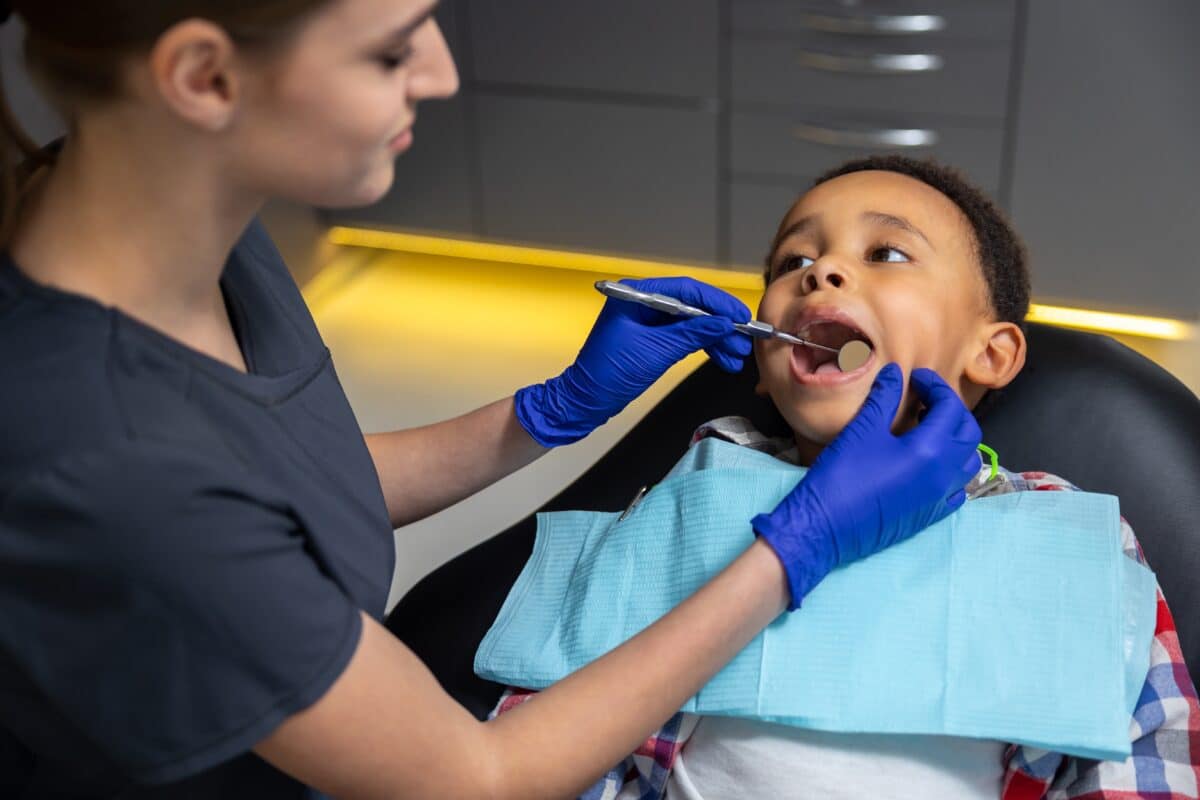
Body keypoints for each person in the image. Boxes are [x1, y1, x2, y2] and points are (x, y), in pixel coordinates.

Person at [0, 3, 986, 798]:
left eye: (886, 254)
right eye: (391, 50)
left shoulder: (191, 234)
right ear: (205, 78)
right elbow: (479, 776)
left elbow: (271, 485)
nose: (439, 70)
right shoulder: (105, 463)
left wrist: (549, 410)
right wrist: (796, 548)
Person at [490, 157, 1200, 798]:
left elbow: (1142, 757)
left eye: (886, 253)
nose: (819, 272)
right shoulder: (696, 491)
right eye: (790, 261)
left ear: (991, 353)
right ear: (763, 374)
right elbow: (546, 726)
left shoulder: (1060, 534)